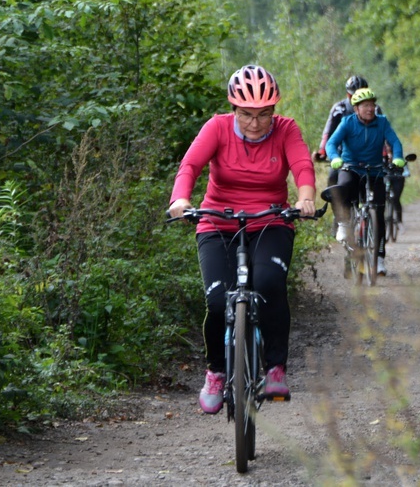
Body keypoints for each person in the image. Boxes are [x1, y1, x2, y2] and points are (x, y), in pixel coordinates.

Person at [167, 65, 316, 415]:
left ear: (274, 111)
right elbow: (189, 166)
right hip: (217, 221)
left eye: (264, 115)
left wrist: (305, 197)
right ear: (234, 109)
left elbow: (302, 166)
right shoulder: (217, 127)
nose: (255, 123)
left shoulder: (286, 130)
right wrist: (180, 200)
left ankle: (275, 368)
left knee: (268, 284)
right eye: (247, 115)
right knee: (218, 300)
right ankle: (217, 372)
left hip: (270, 221)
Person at [326, 87, 404, 276]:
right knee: (343, 188)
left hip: (375, 170)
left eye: (372, 105)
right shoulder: (347, 122)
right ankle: (344, 224)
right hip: (351, 167)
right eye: (366, 105)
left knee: (378, 211)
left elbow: (395, 142)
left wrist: (398, 158)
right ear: (356, 108)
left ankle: (379, 258)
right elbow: (331, 143)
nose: (370, 109)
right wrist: (335, 157)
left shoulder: (382, 123)